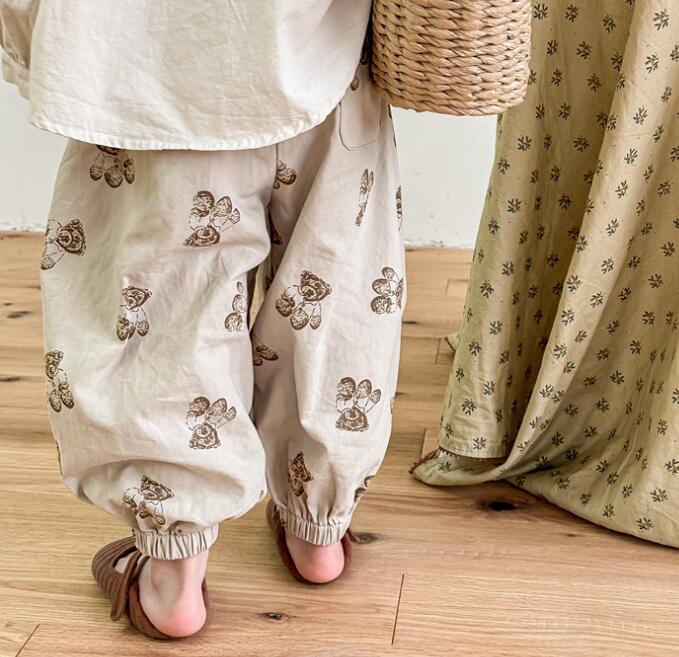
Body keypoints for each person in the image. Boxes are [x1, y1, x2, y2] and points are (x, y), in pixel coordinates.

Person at [2, 0, 405, 638]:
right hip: (323, 53)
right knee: (334, 296)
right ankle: (318, 532)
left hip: (155, 70)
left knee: (161, 315)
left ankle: (174, 577)